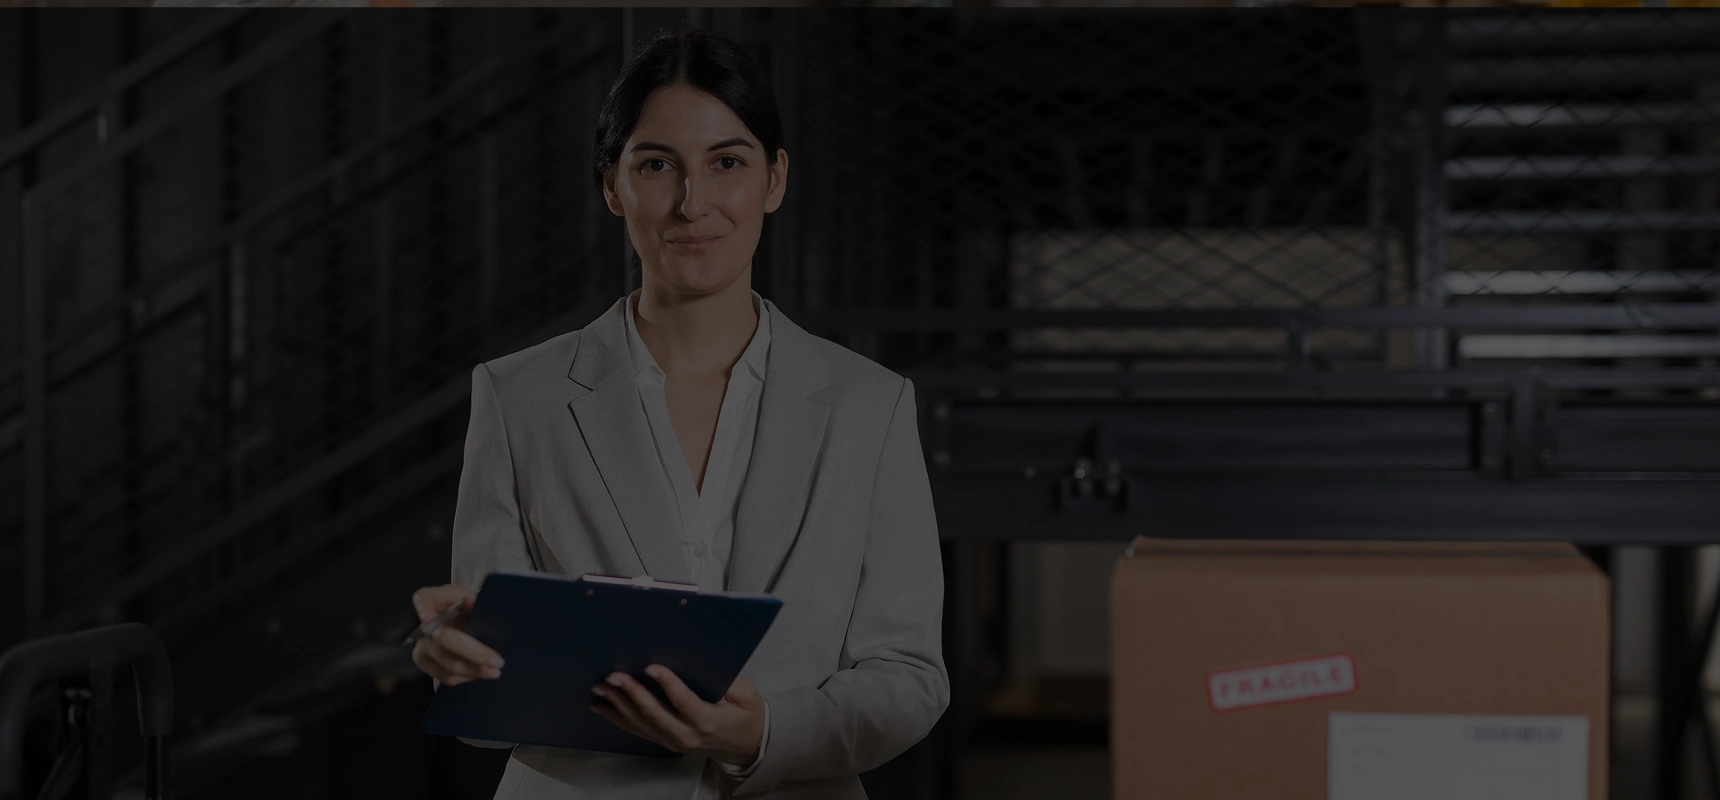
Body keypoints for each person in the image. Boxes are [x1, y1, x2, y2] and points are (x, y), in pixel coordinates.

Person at [407, 26, 948, 800]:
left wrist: (760, 734)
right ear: (611, 185)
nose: (694, 203)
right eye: (657, 165)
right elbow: (489, 712)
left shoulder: (871, 403)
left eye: (727, 162)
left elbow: (910, 679)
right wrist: (461, 661)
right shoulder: (516, 395)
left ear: (775, 179)